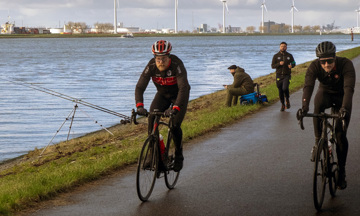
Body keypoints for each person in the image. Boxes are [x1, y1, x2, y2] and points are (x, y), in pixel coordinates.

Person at [301, 41, 356, 189]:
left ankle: (342, 170)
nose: (326, 65)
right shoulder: (314, 66)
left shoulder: (346, 65)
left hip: (342, 97)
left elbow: (349, 89)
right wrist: (304, 107)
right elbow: (308, 86)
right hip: (324, 93)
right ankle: (318, 141)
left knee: (340, 134)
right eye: (323, 62)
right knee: (317, 107)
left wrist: (344, 108)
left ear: (335, 57)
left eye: (330, 61)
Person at [135, 40, 191, 172]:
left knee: (174, 125)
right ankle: (154, 155)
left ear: (169, 57)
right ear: (154, 58)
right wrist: (139, 106)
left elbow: (183, 88)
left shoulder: (177, 65)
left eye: (164, 58)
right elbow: (140, 87)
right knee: (152, 120)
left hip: (179, 95)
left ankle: (178, 155)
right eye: (158, 59)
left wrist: (175, 107)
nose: (161, 62)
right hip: (162, 95)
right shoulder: (151, 66)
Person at [271, 42, 296, 111]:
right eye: (282, 46)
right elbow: (272, 66)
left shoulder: (289, 55)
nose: (283, 47)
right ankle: (282, 104)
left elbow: (294, 63)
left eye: (284, 46)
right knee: (280, 90)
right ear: (279, 47)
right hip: (279, 76)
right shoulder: (276, 56)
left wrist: (292, 66)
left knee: (285, 88)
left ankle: (287, 98)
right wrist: (279, 63)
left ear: (286, 47)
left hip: (286, 75)